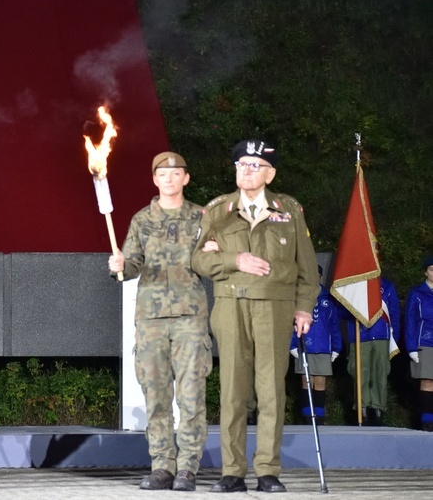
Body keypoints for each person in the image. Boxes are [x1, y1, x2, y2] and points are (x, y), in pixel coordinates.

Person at [191, 140, 319, 493]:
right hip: (231, 307)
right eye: (241, 165)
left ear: (270, 173)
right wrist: (235, 260)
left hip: (274, 308)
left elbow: (307, 268)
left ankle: (267, 470)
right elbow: (198, 260)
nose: (246, 170)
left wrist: (304, 306)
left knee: (271, 391)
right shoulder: (217, 210)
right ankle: (232, 472)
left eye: (254, 165)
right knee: (233, 389)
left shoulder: (289, 210)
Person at [108, 152, 212, 492]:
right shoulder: (142, 220)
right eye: (162, 173)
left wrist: (214, 248)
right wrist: (119, 264)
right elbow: (132, 267)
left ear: (186, 178)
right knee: (155, 396)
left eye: (175, 173)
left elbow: (214, 262)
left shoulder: (202, 217)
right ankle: (162, 466)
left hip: (189, 317)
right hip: (151, 318)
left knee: (192, 395)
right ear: (154, 179)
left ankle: (188, 467)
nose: (169, 178)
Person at [343, 277, 400, 426]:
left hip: (381, 335)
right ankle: (362, 411)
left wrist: (395, 336)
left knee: (380, 373)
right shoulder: (353, 284)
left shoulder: (386, 285)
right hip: (359, 335)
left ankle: (377, 410)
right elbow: (341, 310)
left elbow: (394, 311)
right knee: (360, 373)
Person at [289, 265, 342, 425]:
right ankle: (307, 416)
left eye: (316, 275)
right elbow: (291, 323)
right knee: (306, 381)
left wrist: (336, 347)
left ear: (320, 277)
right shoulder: (299, 297)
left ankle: (319, 416)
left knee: (320, 382)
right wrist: (292, 345)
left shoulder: (329, 298)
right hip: (304, 345)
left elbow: (334, 325)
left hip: (323, 347)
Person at [405, 255, 433, 431]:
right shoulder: (417, 293)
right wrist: (411, 346)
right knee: (428, 382)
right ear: (426, 272)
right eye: (432, 269)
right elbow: (410, 320)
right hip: (425, 341)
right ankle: (427, 423)